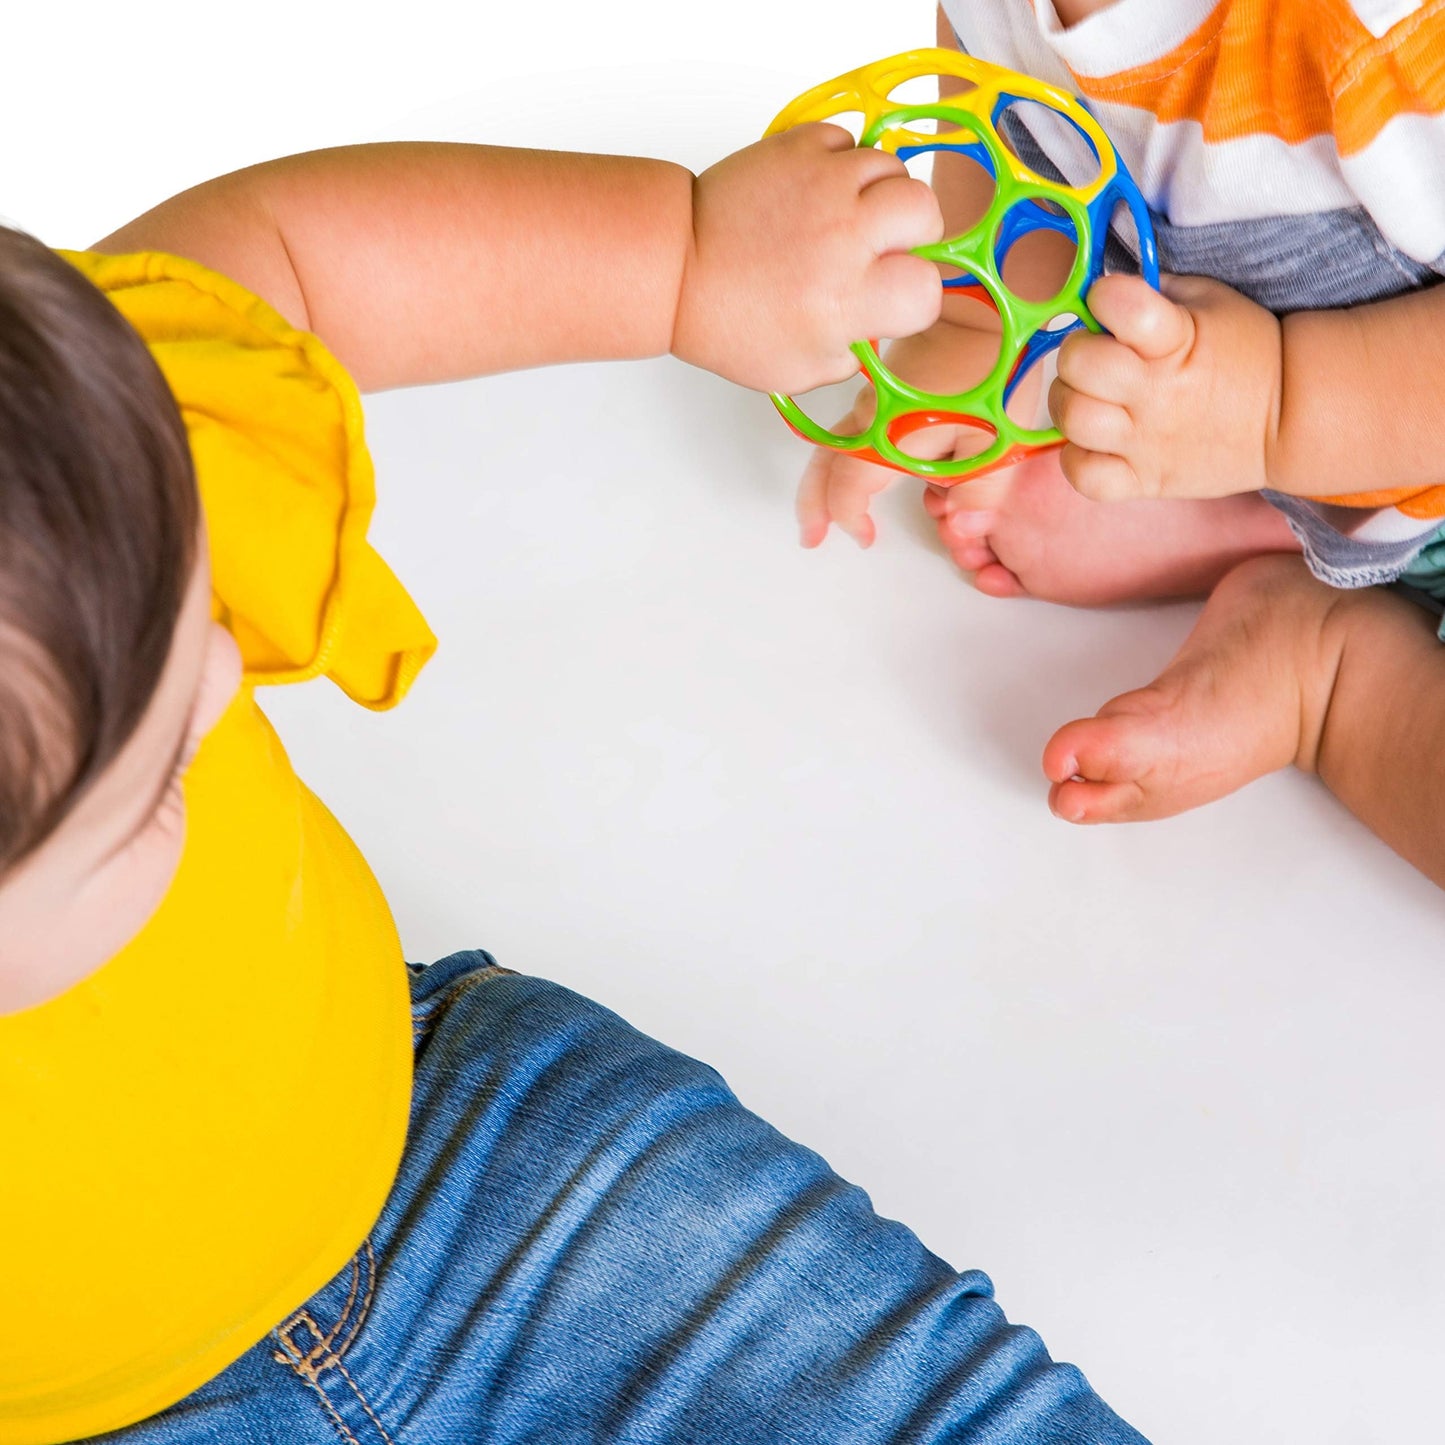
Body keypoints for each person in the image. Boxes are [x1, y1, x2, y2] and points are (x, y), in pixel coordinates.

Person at [0, 136, 1149, 1442]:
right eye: (161, 783)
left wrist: (685, 258)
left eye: (196, 610)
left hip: (461, 1144)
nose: (225, 673)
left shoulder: (61, 464)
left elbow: (290, 260)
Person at [801, 0, 1445, 888]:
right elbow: (1000, 154)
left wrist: (1277, 407)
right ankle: (1280, 526)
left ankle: (1331, 676)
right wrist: (969, 334)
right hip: (1337, 452)